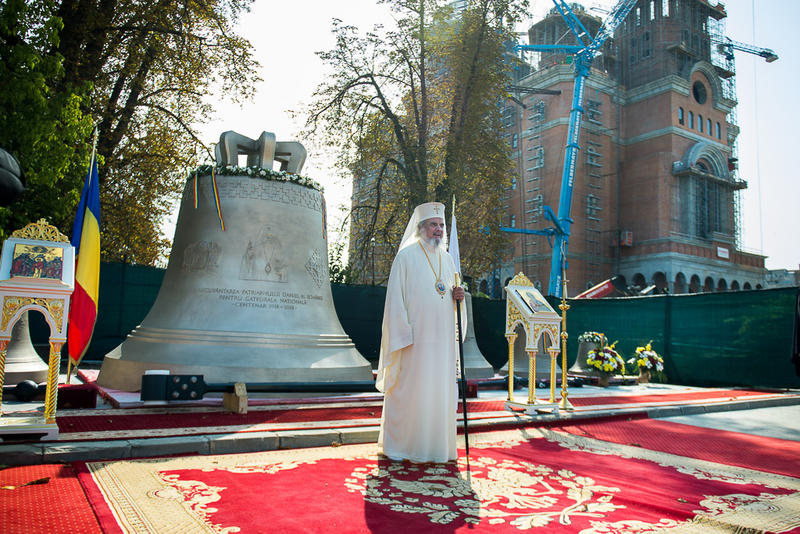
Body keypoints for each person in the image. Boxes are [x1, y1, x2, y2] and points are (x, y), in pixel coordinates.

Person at [376, 201, 466, 463]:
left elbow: (450, 298)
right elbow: (394, 301)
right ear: (421, 228)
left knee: (438, 394)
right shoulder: (405, 257)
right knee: (411, 393)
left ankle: (437, 450)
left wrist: (459, 298)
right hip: (414, 344)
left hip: (442, 346)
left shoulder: (448, 260)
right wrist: (403, 336)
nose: (438, 230)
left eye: (441, 226)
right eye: (433, 225)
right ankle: (404, 447)